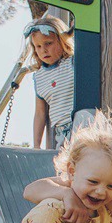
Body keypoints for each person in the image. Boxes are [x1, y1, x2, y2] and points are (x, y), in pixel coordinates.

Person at [25, 15, 75, 150]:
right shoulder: (39, 77)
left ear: (62, 41)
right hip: (61, 132)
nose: (43, 50)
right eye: (38, 46)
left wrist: (77, 26)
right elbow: (40, 113)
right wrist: (36, 145)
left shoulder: (71, 63)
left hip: (79, 124)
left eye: (48, 43)